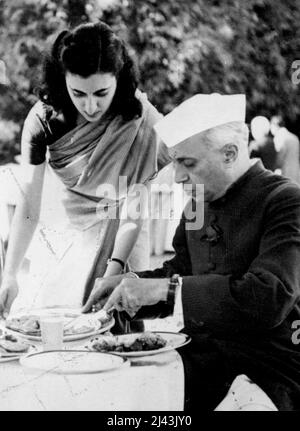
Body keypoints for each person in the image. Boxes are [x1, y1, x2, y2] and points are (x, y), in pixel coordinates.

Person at [83, 93, 300, 410]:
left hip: (269, 369)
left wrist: (165, 290)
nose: (180, 177)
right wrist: (128, 285)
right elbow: (178, 274)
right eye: (175, 164)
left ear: (229, 153)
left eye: (188, 163)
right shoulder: (196, 203)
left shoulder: (285, 200)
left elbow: (270, 297)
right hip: (201, 361)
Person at [0, 21, 169, 333]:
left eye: (101, 93)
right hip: (66, 227)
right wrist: (9, 274)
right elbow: (28, 208)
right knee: (55, 328)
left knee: (122, 330)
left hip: (128, 227)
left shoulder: (139, 118)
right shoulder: (43, 119)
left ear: (119, 79)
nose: (91, 106)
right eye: (78, 93)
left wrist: (114, 268)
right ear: (62, 80)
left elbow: (134, 208)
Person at [270, 115, 300, 183]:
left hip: (284, 172)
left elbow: (279, 158)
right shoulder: (294, 137)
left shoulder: (278, 137)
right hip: (296, 171)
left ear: (275, 126)